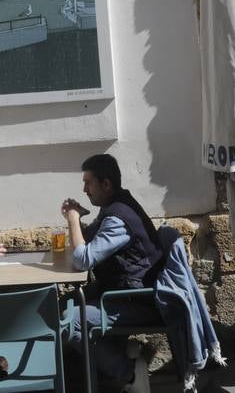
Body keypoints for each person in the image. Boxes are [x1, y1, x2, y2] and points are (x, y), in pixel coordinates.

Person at [62, 154, 164, 385]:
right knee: (58, 304)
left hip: (137, 301)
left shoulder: (118, 217)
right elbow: (93, 244)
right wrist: (80, 222)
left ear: (106, 184)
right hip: (121, 292)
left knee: (70, 320)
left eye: (88, 183)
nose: (85, 189)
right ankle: (103, 366)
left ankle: (127, 374)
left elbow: (83, 259)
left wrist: (73, 221)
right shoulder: (114, 205)